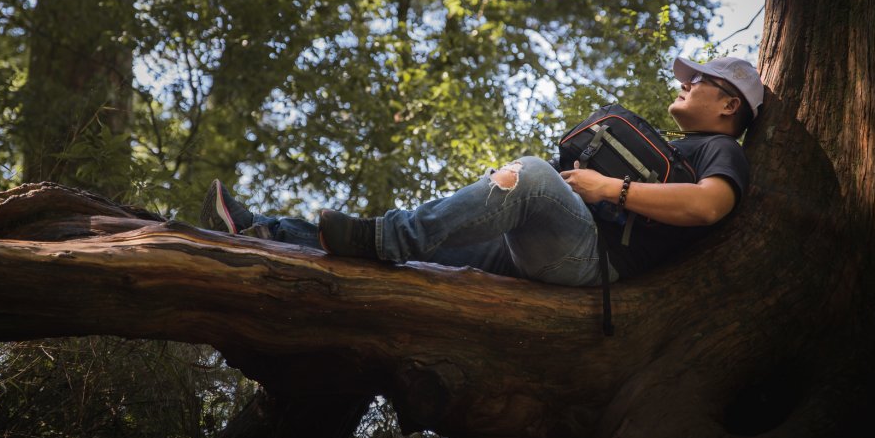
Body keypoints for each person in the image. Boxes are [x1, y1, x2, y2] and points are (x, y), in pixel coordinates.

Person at [200, 56, 763, 286]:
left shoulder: (719, 151)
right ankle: (270, 232)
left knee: (533, 174)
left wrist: (607, 186)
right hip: (564, 243)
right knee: (429, 254)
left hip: (596, 265)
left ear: (729, 104)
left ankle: (384, 233)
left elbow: (710, 205)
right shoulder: (676, 147)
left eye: (700, 80)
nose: (685, 83)